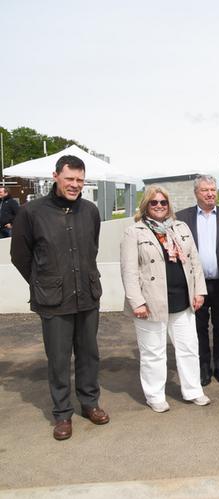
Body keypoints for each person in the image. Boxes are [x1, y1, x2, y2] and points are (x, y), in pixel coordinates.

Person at [11, 155, 110, 440]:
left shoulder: (90, 211)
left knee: (89, 354)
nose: (75, 185)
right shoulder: (31, 212)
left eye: (80, 180)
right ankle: (62, 414)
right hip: (53, 300)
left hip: (87, 295)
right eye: (69, 179)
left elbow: (91, 248)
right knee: (58, 358)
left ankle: (90, 403)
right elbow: (20, 255)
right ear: (56, 176)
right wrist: (42, 282)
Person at [120, 185, 210, 413]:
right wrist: (136, 302)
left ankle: (193, 390)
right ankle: (155, 395)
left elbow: (194, 262)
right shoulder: (135, 232)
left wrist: (199, 291)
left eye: (163, 202)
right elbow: (128, 271)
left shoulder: (181, 228)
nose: (159, 206)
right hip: (150, 303)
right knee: (153, 351)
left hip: (183, 300)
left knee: (189, 347)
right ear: (146, 205)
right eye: (154, 202)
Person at [176, 175, 219, 386]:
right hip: (195, 286)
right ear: (196, 193)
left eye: (213, 189)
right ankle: (203, 367)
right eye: (205, 190)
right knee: (198, 328)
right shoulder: (181, 219)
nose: (211, 193)